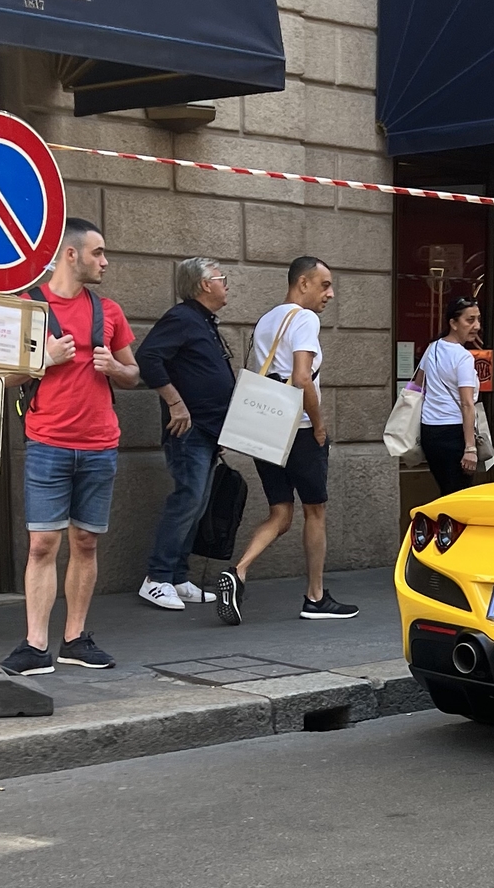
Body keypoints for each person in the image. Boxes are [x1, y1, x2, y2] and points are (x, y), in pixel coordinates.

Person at [7, 216, 142, 674]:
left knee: (85, 542)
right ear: (71, 254)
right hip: (47, 443)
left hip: (100, 443)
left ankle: (75, 638)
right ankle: (34, 644)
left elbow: (134, 373)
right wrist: (44, 360)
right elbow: (4, 377)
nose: (105, 261)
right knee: (42, 543)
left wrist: (114, 369)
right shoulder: (29, 306)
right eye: (98, 253)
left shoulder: (110, 312)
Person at [222, 255, 358, 623]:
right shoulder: (305, 319)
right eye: (324, 284)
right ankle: (315, 597)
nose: (330, 293)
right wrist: (318, 424)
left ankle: (238, 571)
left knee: (280, 512)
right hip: (297, 429)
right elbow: (301, 378)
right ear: (303, 283)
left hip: (266, 429)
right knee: (315, 510)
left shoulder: (267, 319)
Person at [133, 257, 233, 613]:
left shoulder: (203, 322)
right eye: (222, 278)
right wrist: (176, 403)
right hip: (187, 429)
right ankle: (157, 578)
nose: (227, 284)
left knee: (198, 502)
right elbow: (147, 358)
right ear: (205, 284)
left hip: (207, 429)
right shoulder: (181, 318)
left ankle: (176, 576)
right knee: (187, 499)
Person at [414, 295, 486, 489]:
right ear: (453, 323)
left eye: (478, 319)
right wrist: (470, 448)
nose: (476, 326)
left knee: (446, 490)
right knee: (459, 495)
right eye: (470, 320)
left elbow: (417, 385)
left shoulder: (432, 348)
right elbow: (467, 403)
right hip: (455, 432)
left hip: (430, 431)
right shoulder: (463, 357)